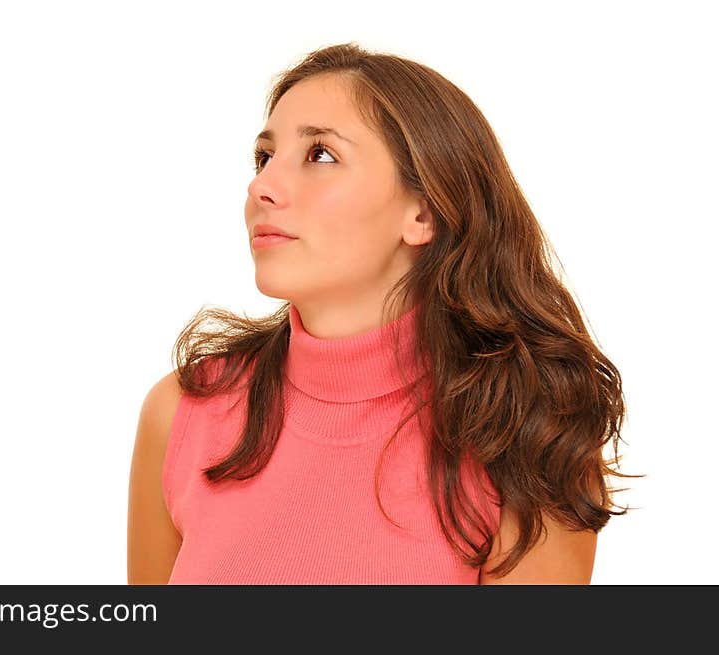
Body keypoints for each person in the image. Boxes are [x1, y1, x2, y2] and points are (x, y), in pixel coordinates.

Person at [127, 42, 637, 585]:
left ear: (423, 211)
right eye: (264, 157)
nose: (261, 187)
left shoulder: (526, 438)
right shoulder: (182, 413)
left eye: (320, 154)